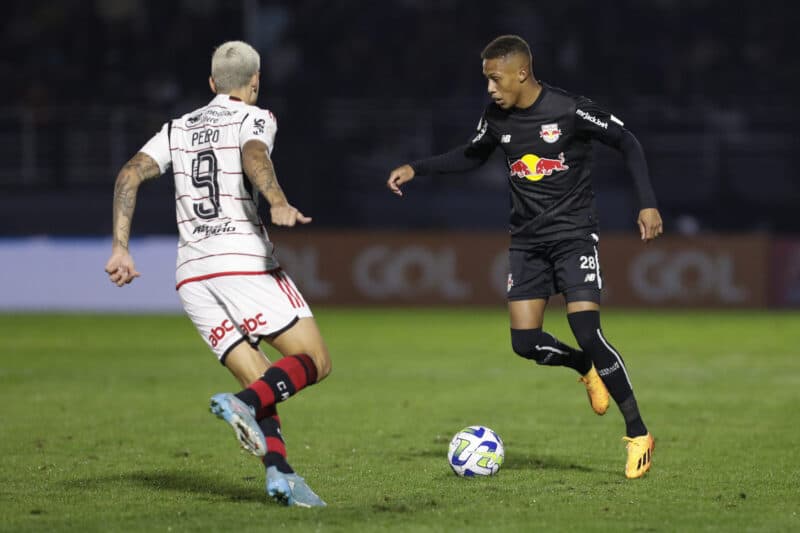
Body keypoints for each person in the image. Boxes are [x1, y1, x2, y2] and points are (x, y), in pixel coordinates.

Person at [387, 35, 662, 479]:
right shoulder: (497, 117)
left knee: (586, 328)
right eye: (486, 81)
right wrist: (418, 167)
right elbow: (471, 156)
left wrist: (646, 202)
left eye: (495, 79)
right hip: (527, 242)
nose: (490, 89)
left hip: (573, 236)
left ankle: (638, 433)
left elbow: (627, 141)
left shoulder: (570, 110)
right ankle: (582, 366)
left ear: (520, 73)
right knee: (525, 342)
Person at [104, 41, 330, 506]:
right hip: (242, 260)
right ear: (255, 82)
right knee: (314, 360)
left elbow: (128, 174)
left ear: (211, 83)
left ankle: (281, 475)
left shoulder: (177, 127)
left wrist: (120, 249)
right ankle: (242, 406)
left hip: (192, 274)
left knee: (260, 380)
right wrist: (278, 201)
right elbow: (253, 155)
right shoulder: (256, 116)